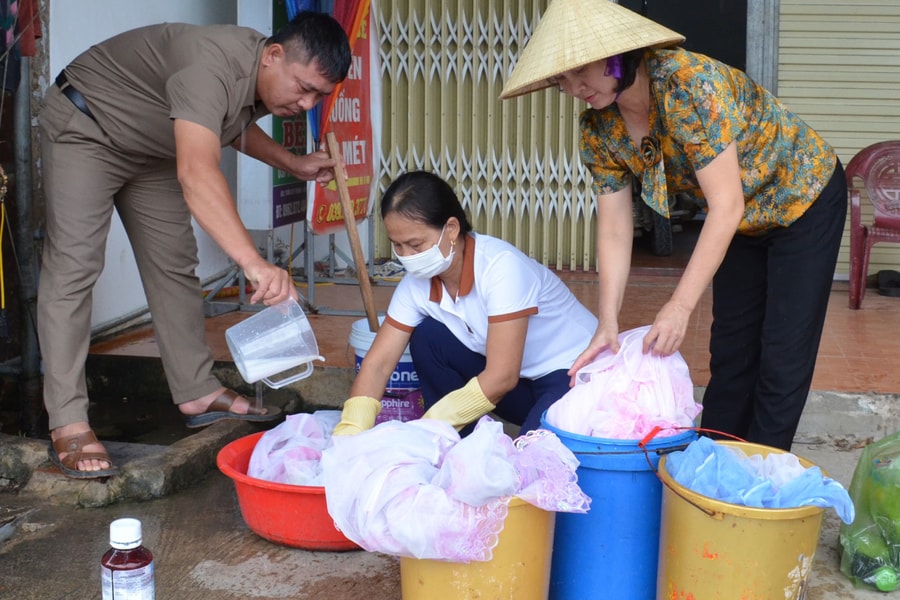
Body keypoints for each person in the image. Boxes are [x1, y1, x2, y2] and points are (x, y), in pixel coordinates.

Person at [500, 0, 847, 451]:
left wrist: (680, 307)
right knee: (731, 352)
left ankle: (760, 481)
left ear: (617, 53)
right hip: (741, 219)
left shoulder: (687, 86)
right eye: (561, 80)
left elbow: (725, 206)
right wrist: (608, 321)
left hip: (803, 197)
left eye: (579, 70)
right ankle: (710, 464)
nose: (573, 87)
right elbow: (614, 227)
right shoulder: (599, 129)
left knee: (782, 355)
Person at [38, 12, 351, 478]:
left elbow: (230, 126)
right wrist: (254, 264)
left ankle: (197, 391)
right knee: (75, 267)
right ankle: (67, 419)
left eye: (318, 97)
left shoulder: (260, 77)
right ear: (274, 55)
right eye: (303, 88)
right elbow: (197, 171)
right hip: (88, 126)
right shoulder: (211, 64)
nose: (305, 103)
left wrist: (294, 162)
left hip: (151, 148)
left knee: (175, 265)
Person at [332, 171, 598, 436]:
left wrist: (432, 423)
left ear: (451, 229)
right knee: (428, 337)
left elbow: (502, 375)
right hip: (520, 386)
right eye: (397, 246)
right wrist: (350, 430)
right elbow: (378, 364)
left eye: (415, 244)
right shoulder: (415, 285)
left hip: (573, 376)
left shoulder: (501, 267)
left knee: (531, 458)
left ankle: (439, 433)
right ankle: (453, 443)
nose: (406, 256)